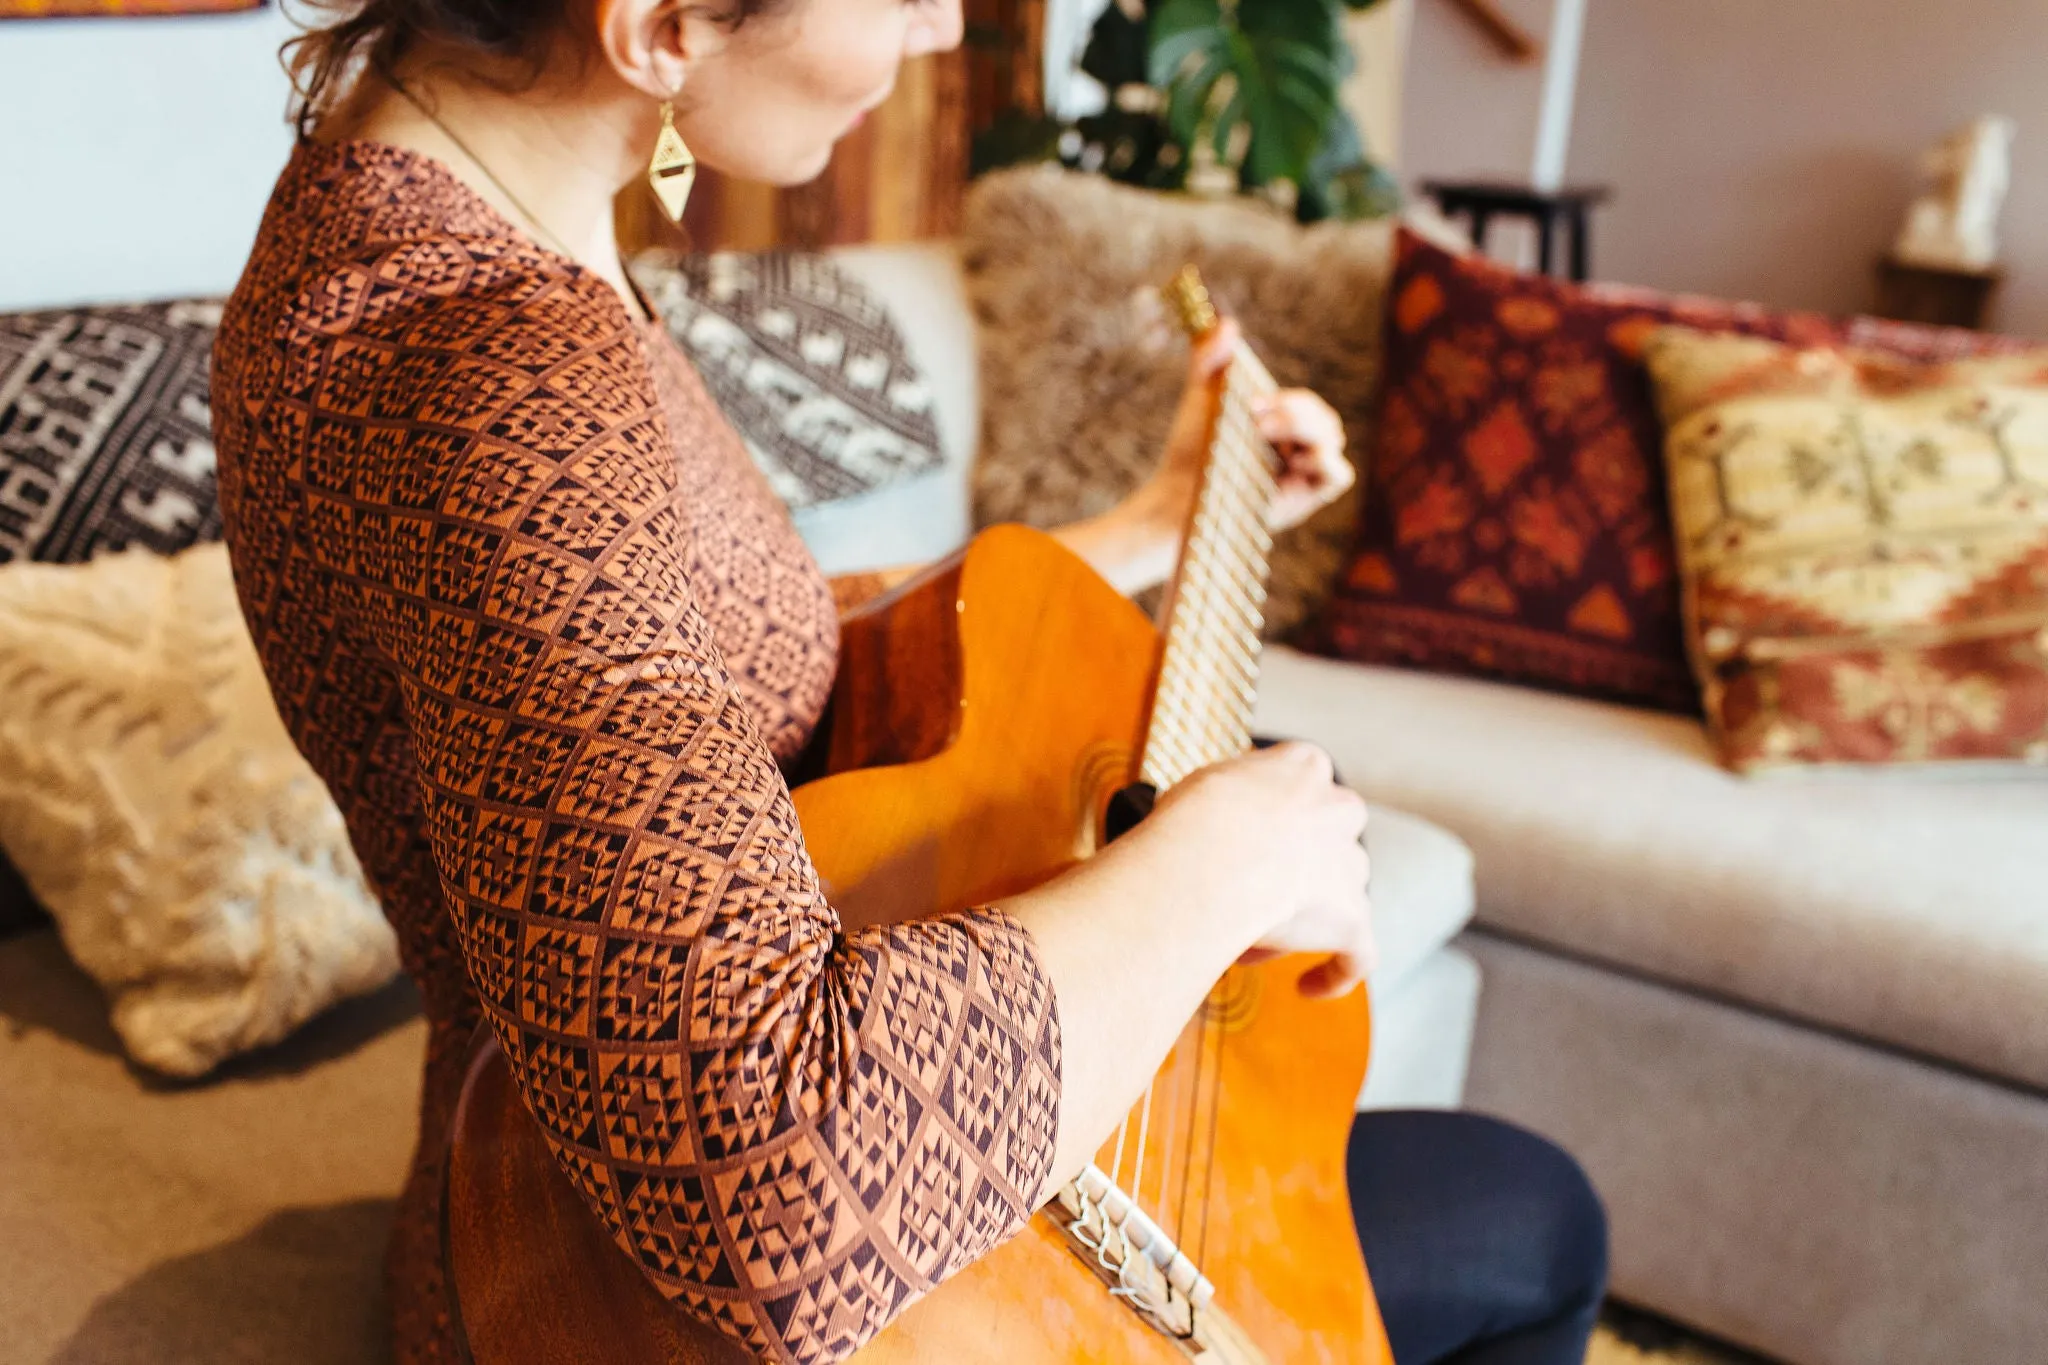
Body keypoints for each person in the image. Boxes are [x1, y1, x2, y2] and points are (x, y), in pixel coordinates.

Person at [210, 0, 1606, 1361]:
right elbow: (772, 1200)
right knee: (1537, 1222)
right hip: (637, 1290)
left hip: (564, 1198)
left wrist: (1151, 522)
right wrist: (1221, 865)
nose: (945, 31)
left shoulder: (438, 211)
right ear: (660, 26)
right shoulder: (498, 364)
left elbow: (680, 661)